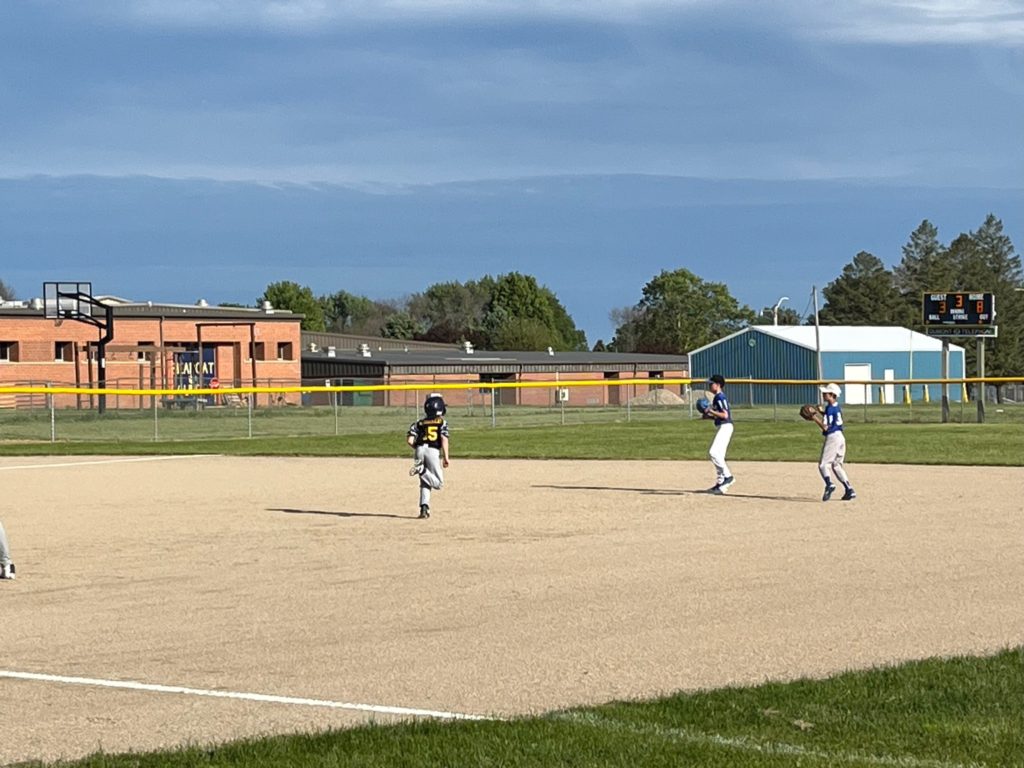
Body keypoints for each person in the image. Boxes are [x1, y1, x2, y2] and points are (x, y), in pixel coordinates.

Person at [407, 393, 450, 519]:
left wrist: (418, 448)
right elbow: (444, 439)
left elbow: (410, 440)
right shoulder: (442, 422)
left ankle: (424, 508)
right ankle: (421, 470)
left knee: (425, 481)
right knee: (438, 483)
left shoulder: (419, 423)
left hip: (419, 450)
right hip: (433, 451)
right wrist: (446, 457)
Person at [812, 382, 856, 502]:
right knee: (836, 465)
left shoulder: (830, 408)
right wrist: (821, 412)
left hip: (832, 437)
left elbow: (826, 427)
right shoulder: (836, 407)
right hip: (841, 437)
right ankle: (849, 489)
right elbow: (832, 418)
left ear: (832, 395)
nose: (823, 395)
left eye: (826, 393)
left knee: (823, 465)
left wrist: (814, 417)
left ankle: (829, 484)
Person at [703, 374, 735, 494]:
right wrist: (709, 416)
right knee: (719, 456)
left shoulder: (719, 397)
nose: (709, 386)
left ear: (718, 385)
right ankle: (721, 484)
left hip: (725, 427)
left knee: (714, 453)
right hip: (724, 426)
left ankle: (728, 476)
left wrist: (711, 410)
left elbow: (725, 415)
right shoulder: (718, 397)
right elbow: (720, 416)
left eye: (711, 384)